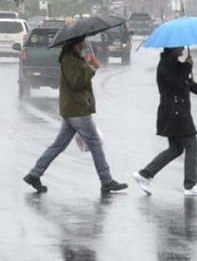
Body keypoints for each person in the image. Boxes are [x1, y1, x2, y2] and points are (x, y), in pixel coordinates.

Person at [23, 36, 128, 194]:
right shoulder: (68, 60)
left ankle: (34, 174)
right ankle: (106, 180)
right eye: (82, 40)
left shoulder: (74, 58)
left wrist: (89, 64)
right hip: (76, 109)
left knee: (59, 145)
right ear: (76, 43)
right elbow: (77, 82)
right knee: (95, 142)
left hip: (73, 109)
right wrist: (91, 68)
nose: (85, 42)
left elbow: (80, 76)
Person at [132, 47, 197, 196]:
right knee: (192, 145)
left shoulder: (176, 64)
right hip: (174, 113)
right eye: (180, 46)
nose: (184, 49)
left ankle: (145, 174)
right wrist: (188, 66)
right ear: (172, 49)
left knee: (176, 149)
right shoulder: (166, 65)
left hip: (175, 112)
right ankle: (191, 184)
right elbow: (177, 82)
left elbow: (189, 85)